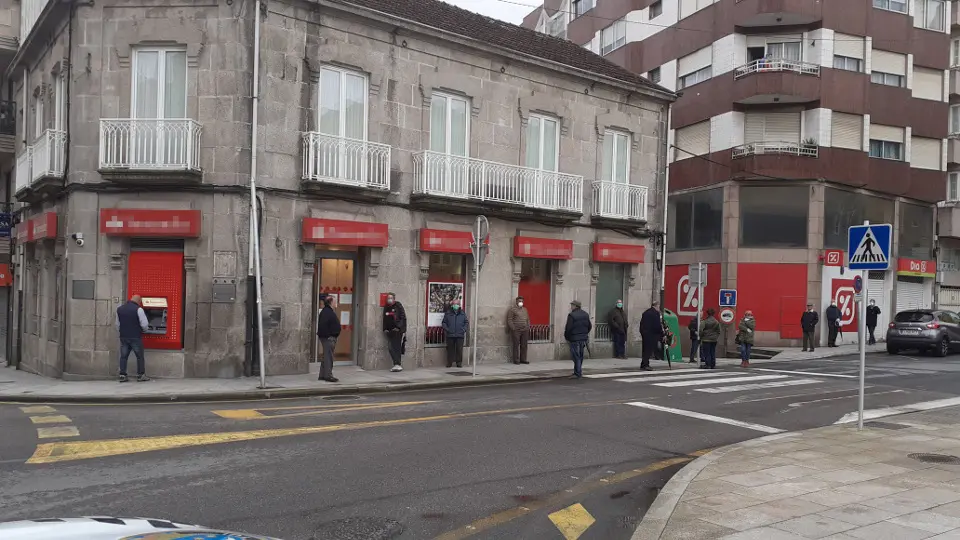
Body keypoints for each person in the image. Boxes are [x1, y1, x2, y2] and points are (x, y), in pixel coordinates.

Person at [115, 295, 150, 382]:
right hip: (135, 337)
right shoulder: (139, 309)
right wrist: (145, 330)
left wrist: (123, 331)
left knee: (123, 356)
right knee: (139, 356)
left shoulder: (119, 309)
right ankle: (140, 375)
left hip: (124, 337)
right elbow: (144, 324)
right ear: (139, 301)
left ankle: (122, 375)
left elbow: (117, 324)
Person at [316, 294, 341, 382]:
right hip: (328, 338)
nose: (336, 302)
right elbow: (323, 326)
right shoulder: (327, 312)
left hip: (328, 337)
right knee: (328, 357)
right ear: (331, 302)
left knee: (326, 357)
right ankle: (328, 376)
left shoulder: (328, 311)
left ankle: (322, 375)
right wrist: (329, 336)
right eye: (335, 301)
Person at [564, 300, 592, 378]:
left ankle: (577, 373)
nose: (571, 307)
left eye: (572, 305)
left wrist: (567, 337)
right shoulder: (585, 314)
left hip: (574, 339)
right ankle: (577, 371)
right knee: (580, 356)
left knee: (576, 356)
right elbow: (589, 326)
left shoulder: (572, 315)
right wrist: (584, 334)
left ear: (575, 306)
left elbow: (568, 328)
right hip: (583, 338)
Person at [383, 292, 407, 372]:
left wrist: (398, 327)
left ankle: (397, 364)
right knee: (391, 347)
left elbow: (403, 317)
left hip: (397, 330)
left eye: (391, 298)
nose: (389, 299)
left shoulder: (398, 305)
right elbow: (384, 318)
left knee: (396, 347)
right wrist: (385, 328)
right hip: (389, 331)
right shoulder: (386, 307)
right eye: (388, 298)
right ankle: (397, 364)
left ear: (394, 299)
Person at [441, 300, 469, 368]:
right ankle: (449, 362)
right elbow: (444, 322)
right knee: (450, 349)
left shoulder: (462, 313)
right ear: (452, 305)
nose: (455, 305)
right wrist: (447, 329)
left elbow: (466, 322)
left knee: (459, 349)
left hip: (460, 334)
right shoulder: (448, 313)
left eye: (456, 304)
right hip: (450, 334)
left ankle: (459, 363)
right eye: (454, 304)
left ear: (459, 305)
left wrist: (463, 329)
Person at [639, 301, 663, 371]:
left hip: (645, 334)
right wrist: (661, 333)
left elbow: (641, 324)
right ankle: (645, 365)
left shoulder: (646, 312)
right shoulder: (655, 313)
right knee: (648, 351)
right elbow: (657, 325)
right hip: (652, 335)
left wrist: (643, 333)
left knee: (645, 350)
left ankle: (643, 364)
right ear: (656, 305)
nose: (659, 307)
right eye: (658, 306)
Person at [506, 296, 530, 364]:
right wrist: (513, 328)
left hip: (525, 330)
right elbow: (509, 319)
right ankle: (516, 360)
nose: (521, 302)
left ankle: (523, 359)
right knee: (516, 345)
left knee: (524, 345)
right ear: (516, 302)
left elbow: (528, 319)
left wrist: (527, 326)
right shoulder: (512, 310)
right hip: (516, 330)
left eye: (522, 301)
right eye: (519, 301)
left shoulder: (525, 309)